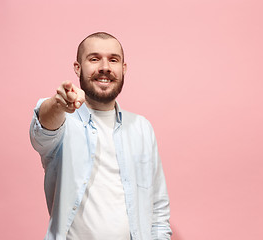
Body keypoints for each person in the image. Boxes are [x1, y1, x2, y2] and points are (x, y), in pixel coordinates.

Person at [30, 32, 172, 240]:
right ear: (78, 68)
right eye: (94, 59)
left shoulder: (141, 128)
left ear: (123, 69)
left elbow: (158, 208)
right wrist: (59, 104)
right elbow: (42, 130)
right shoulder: (63, 122)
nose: (105, 67)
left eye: (113, 60)